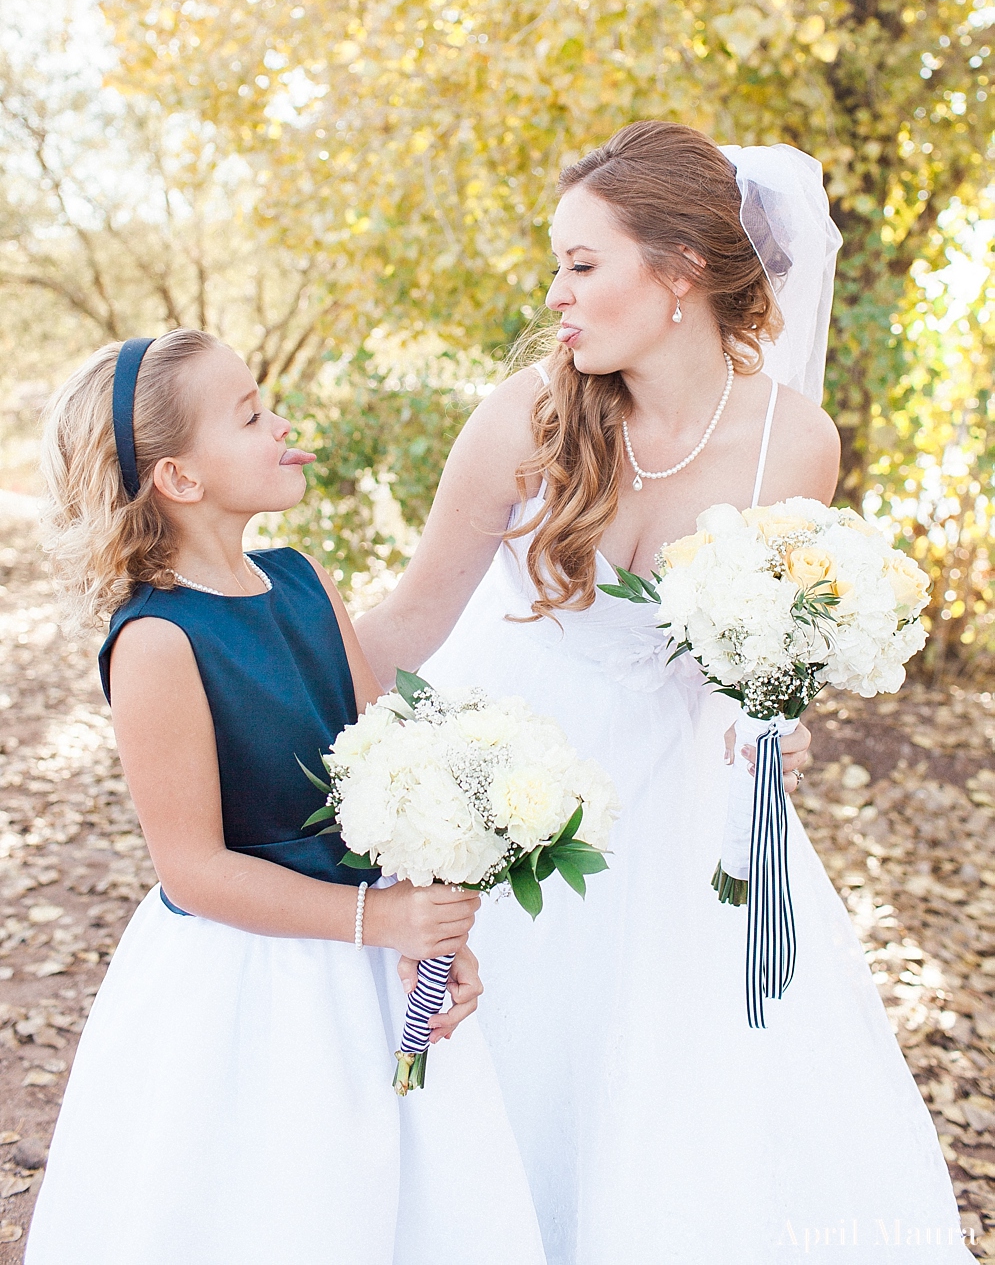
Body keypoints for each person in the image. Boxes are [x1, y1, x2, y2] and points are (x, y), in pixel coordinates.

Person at [356, 123, 972, 1262]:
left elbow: (748, 661)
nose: (556, 294)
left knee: (672, 1106)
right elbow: (399, 629)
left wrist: (772, 723)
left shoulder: (790, 443)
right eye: (558, 266)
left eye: (582, 265)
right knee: (490, 1081)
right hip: (511, 783)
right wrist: (247, 671)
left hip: (676, 812)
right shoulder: (523, 419)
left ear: (679, 271)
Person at [26, 329, 545, 1265]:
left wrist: (436, 929)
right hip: (253, 980)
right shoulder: (157, 639)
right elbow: (193, 870)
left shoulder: (305, 581)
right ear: (181, 479)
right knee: (284, 1205)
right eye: (252, 414)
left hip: (370, 952)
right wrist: (378, 921)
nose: (285, 425)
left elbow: (385, 766)